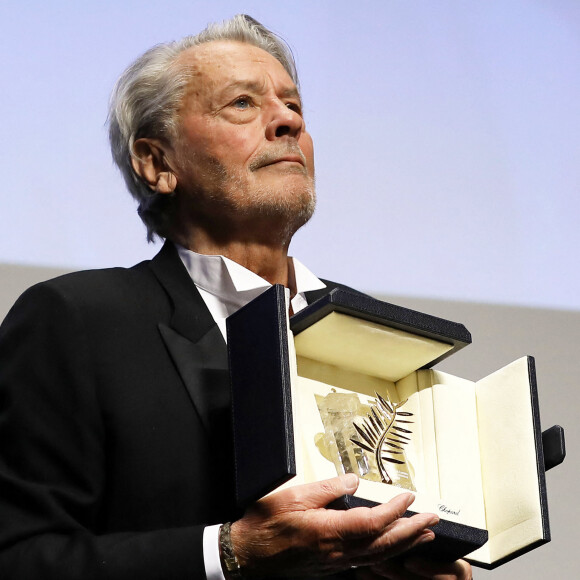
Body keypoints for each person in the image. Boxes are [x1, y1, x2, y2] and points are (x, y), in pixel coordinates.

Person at [0, 15, 472, 580]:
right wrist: (232, 552)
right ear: (157, 163)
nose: (287, 121)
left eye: (294, 106)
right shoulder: (78, 320)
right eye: (243, 104)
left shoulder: (371, 344)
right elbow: (18, 557)